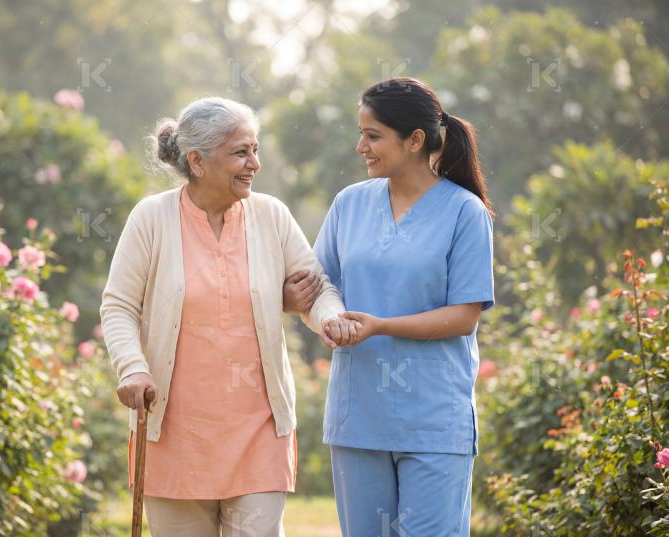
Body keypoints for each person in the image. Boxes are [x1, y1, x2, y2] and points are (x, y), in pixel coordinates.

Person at [99, 96, 356, 537]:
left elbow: (315, 288)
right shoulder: (151, 218)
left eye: (255, 149)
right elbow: (119, 305)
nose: (254, 163)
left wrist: (331, 318)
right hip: (174, 432)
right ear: (197, 162)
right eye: (241, 152)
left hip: (258, 429)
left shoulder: (270, 215)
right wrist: (132, 369)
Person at [286, 77, 495, 536]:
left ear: (415, 140)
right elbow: (317, 286)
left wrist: (380, 326)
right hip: (358, 417)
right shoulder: (348, 205)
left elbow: (464, 316)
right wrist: (311, 308)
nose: (361, 146)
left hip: (434, 421)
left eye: (373, 135)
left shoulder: (465, 213)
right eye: (361, 133)